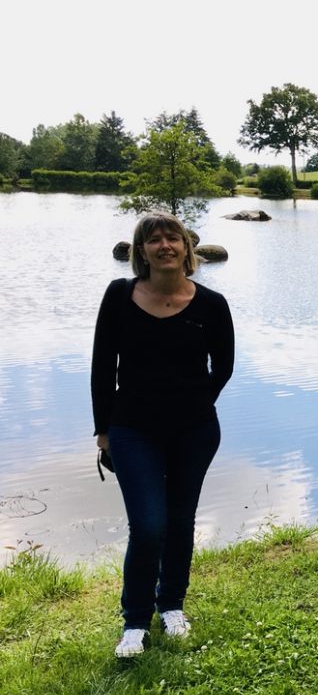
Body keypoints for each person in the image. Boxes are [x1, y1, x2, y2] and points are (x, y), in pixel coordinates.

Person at [91, 212, 234, 658]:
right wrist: (102, 430)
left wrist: (193, 403)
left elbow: (223, 367)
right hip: (132, 429)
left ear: (187, 249)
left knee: (179, 520)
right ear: (142, 252)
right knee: (149, 524)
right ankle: (134, 621)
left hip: (194, 431)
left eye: (172, 238)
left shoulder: (212, 304)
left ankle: (171, 604)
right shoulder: (119, 295)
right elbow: (102, 366)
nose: (165, 246)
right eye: (153, 240)